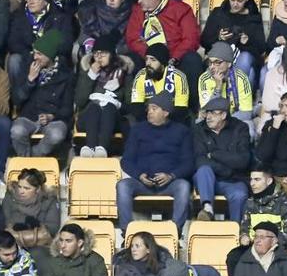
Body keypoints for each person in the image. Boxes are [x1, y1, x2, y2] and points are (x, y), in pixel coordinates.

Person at [116, 93, 194, 233]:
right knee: (122, 185)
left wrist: (171, 176)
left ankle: (176, 231)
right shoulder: (137, 130)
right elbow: (126, 160)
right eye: (149, 109)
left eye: (154, 108)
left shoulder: (181, 131)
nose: (149, 112)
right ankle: (126, 231)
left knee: (183, 186)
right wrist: (139, 175)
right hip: (142, 183)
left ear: (166, 112)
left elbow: (189, 162)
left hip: (170, 183)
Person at [125, 0, 203, 86]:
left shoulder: (181, 9)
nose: (139, 0)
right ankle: (135, 101)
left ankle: (191, 102)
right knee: (129, 60)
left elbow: (191, 39)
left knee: (193, 59)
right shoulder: (138, 11)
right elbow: (133, 39)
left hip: (175, 57)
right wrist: (152, 57)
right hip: (147, 56)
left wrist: (174, 58)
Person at [9, 30, 72, 157]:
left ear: (50, 56)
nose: (35, 57)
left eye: (40, 54)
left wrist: (51, 116)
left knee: (56, 135)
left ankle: (32, 158)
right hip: (28, 117)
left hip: (54, 119)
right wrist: (29, 81)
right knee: (17, 131)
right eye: (35, 53)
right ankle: (28, 162)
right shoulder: (27, 68)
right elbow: (16, 100)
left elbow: (68, 108)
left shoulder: (65, 75)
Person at [190, 95, 251, 222]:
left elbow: (243, 160)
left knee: (239, 195)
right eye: (207, 112)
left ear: (223, 115)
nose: (208, 117)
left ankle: (236, 231)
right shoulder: (199, 129)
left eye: (213, 113)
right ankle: (207, 209)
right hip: (208, 181)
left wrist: (214, 154)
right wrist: (227, 169)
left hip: (234, 181)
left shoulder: (240, 128)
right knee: (203, 169)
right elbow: (199, 160)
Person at [5, 0, 73, 84]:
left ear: (46, 1)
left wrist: (45, 54)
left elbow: (66, 44)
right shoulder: (19, 15)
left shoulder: (60, 17)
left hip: (51, 57)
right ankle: (16, 97)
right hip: (27, 55)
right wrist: (32, 54)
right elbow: (13, 42)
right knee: (14, 60)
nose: (31, 2)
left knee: (62, 60)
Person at [74, 32, 129, 157]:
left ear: (112, 54)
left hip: (113, 119)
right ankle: (90, 146)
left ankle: (102, 149)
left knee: (109, 107)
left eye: (103, 53)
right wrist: (91, 76)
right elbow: (80, 101)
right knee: (94, 107)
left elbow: (129, 102)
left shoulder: (123, 72)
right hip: (88, 118)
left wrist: (116, 103)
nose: (99, 57)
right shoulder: (87, 70)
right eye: (96, 53)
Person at [200, 0, 266, 79]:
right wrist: (218, 37)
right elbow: (204, 41)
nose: (235, 4)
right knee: (249, 73)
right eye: (232, 0)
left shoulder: (253, 17)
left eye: (240, 1)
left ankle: (236, 91)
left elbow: (261, 47)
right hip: (221, 56)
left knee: (245, 59)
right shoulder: (218, 13)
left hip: (244, 57)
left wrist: (248, 41)